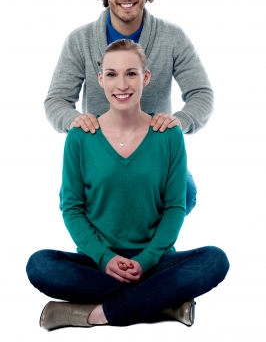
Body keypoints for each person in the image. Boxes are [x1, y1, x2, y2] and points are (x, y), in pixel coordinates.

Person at [27, 40, 229, 330]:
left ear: (146, 78)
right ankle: (163, 305)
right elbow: (72, 208)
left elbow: (174, 207)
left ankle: (94, 314)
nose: (121, 83)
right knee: (39, 265)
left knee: (214, 260)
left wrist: (145, 261)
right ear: (99, 79)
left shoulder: (168, 135)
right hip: (98, 262)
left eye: (131, 73)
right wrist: (105, 258)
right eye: (111, 74)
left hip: (154, 261)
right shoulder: (81, 136)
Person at [44, 0, 214, 216]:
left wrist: (179, 121)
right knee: (71, 200)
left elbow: (201, 93)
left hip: (156, 153)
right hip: (99, 153)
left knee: (186, 194)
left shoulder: (172, 37)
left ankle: (151, 252)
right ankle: (103, 253)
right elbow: (57, 100)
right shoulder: (80, 40)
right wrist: (74, 120)